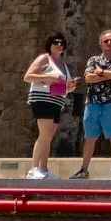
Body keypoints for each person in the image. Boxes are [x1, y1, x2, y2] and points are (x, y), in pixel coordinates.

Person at [74, 28, 111, 179]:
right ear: (101, 43)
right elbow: (88, 78)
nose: (109, 43)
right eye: (106, 41)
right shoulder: (93, 60)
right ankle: (83, 170)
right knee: (89, 138)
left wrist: (101, 72)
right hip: (93, 104)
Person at [21, 32, 73, 179]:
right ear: (49, 45)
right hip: (42, 99)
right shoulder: (44, 58)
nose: (59, 44)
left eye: (61, 42)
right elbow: (28, 77)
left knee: (48, 136)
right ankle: (34, 168)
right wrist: (48, 77)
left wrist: (70, 87)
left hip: (56, 101)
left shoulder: (63, 65)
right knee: (44, 134)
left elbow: (59, 87)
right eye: (55, 42)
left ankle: (43, 169)